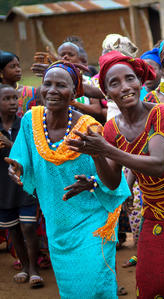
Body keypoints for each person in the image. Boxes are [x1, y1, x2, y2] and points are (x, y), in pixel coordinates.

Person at [66, 50, 164, 298]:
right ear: (106, 94)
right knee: (150, 283)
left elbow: (158, 164)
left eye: (130, 79)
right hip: (155, 213)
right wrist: (97, 155)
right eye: (114, 83)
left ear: (141, 82)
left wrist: (107, 149)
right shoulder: (112, 127)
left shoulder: (160, 113)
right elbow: (114, 181)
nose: (125, 87)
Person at [6, 61, 130, 298]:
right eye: (47, 84)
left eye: (61, 85)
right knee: (72, 289)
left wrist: (93, 181)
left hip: (92, 220)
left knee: (95, 286)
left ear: (75, 93)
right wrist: (18, 169)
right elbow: (22, 158)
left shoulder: (88, 128)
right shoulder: (30, 121)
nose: (52, 90)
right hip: (58, 223)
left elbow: (113, 181)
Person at [0, 84, 42, 288]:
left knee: (28, 227)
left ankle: (34, 268)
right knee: (13, 230)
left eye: (14, 98)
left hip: (25, 185)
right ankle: (24, 266)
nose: (12, 102)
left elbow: (34, 153)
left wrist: (10, 146)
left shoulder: (25, 125)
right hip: (3, 189)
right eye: (6, 99)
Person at [0, 51, 40, 117]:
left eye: (18, 66)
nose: (18, 70)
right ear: (1, 71)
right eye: (12, 67)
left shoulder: (32, 92)